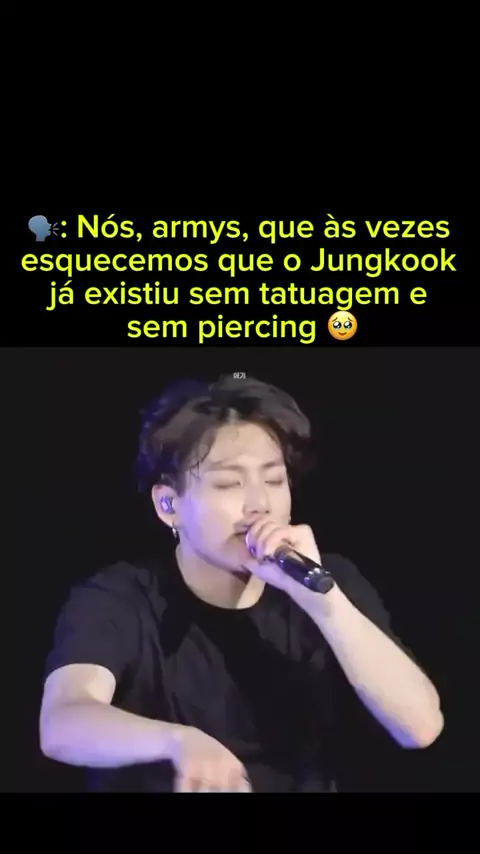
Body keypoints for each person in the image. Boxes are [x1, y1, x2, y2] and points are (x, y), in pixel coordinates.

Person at [39, 374, 444, 793]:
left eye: (274, 480)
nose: (260, 504)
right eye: (229, 483)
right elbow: (62, 722)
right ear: (168, 504)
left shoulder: (329, 581)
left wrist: (325, 605)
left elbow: (421, 726)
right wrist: (177, 741)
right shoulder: (120, 597)